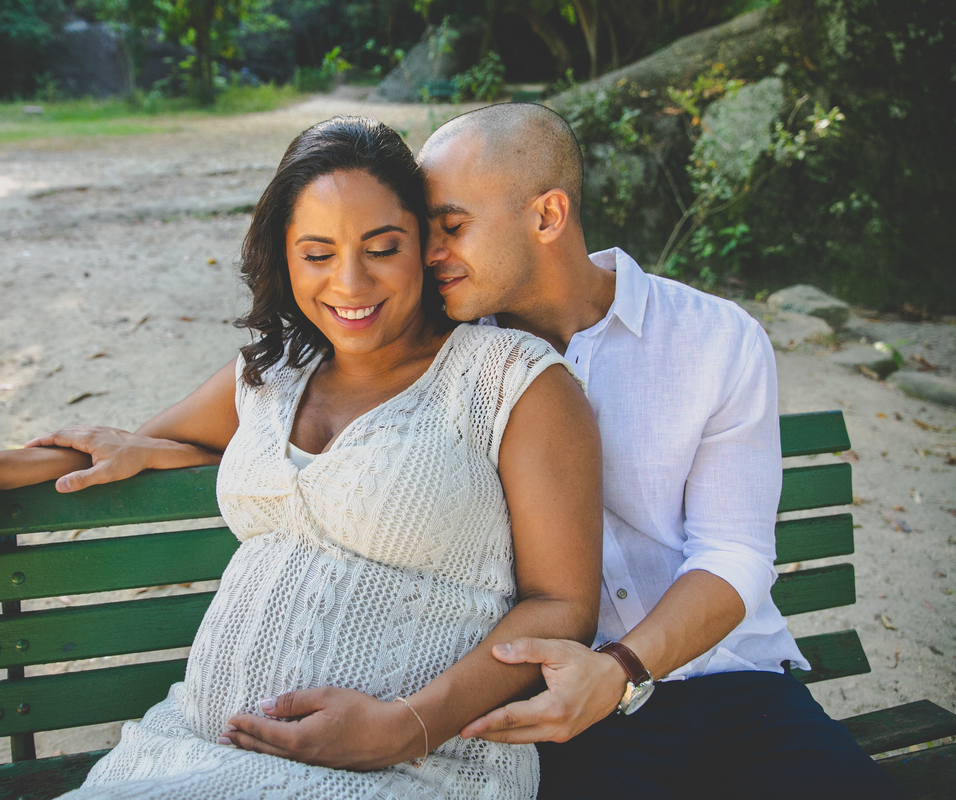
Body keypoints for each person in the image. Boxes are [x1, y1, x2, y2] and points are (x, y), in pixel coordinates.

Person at [0, 116, 604, 799]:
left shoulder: (511, 379)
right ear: (285, 255)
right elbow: (138, 447)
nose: (351, 283)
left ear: (422, 243)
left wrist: (407, 727)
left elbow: (564, 605)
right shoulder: (272, 373)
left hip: (422, 767)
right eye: (318, 253)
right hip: (189, 750)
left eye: (381, 247)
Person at [228, 104, 906, 799]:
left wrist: (618, 669)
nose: (427, 252)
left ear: (547, 217)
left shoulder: (715, 340)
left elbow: (733, 553)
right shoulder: (434, 351)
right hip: (544, 713)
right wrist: (143, 443)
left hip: (731, 685)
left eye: (451, 227)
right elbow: (285, 380)